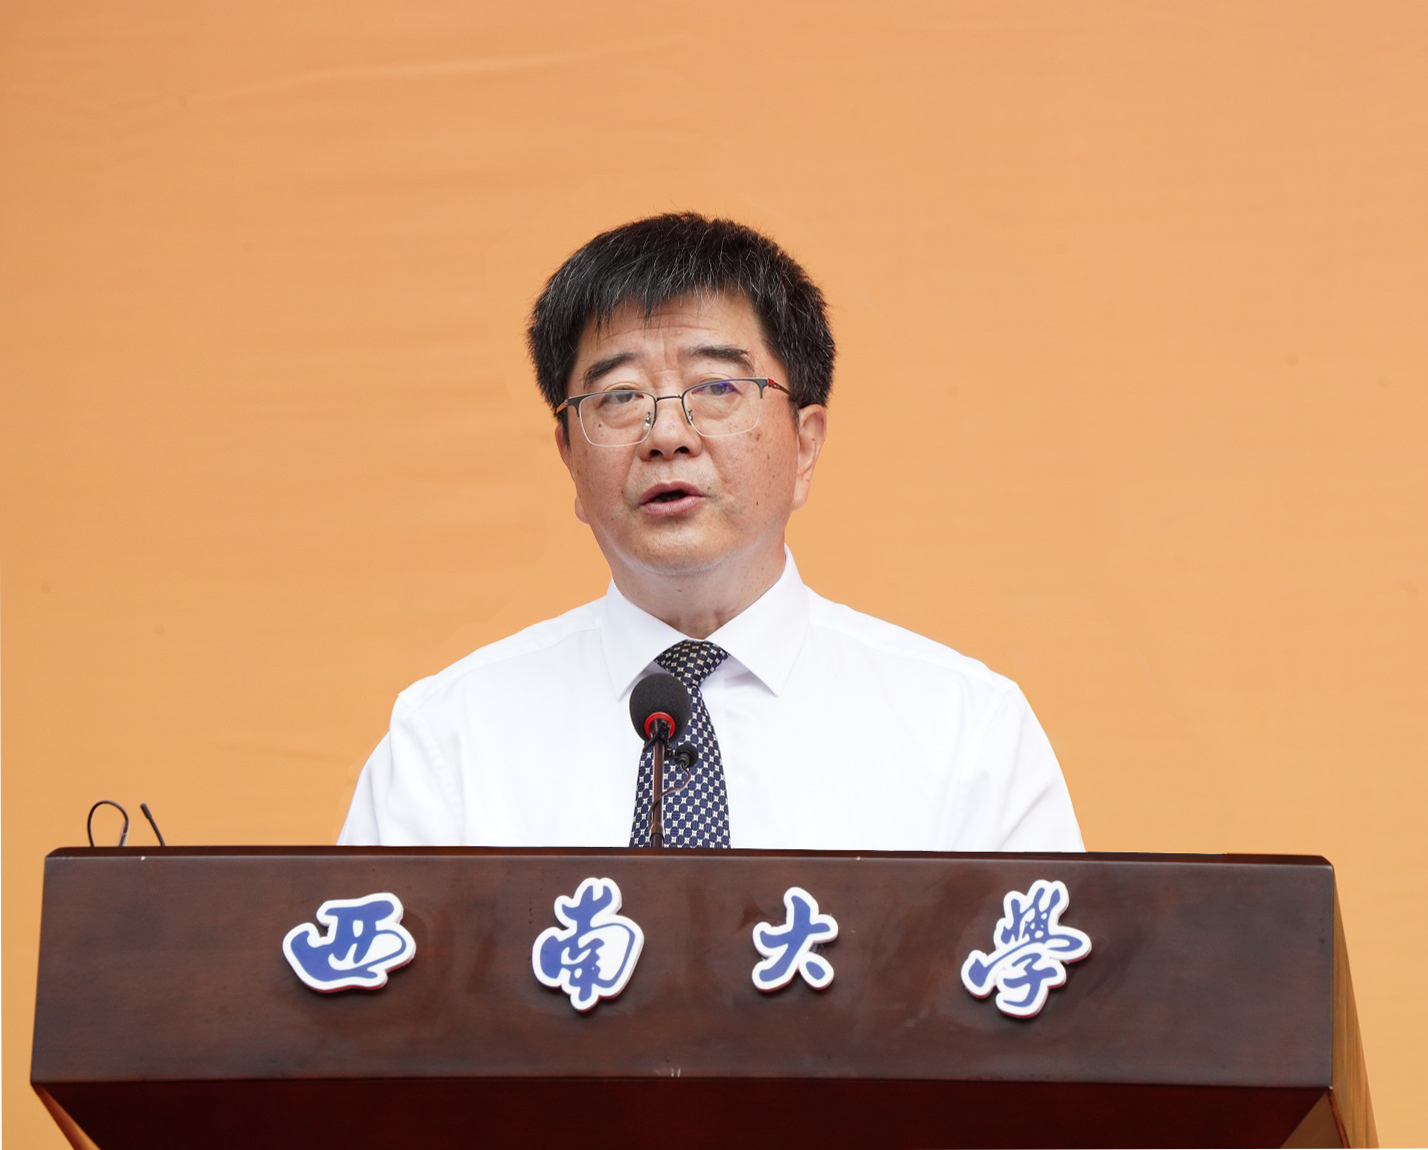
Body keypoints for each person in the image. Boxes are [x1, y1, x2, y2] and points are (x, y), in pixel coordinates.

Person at [339, 212, 1081, 851]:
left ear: (805, 445)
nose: (667, 435)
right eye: (619, 396)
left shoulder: (966, 734)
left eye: (718, 387)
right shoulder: (448, 744)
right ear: (569, 457)